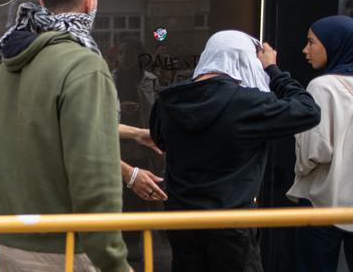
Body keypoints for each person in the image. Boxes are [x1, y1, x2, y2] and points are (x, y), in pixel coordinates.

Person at [0, 0, 129, 272]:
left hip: (1, 244)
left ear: (41, 0)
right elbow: (95, 178)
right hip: (62, 250)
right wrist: (113, 261)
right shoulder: (84, 66)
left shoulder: (3, 62)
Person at [151, 30, 320, 272]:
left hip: (181, 222)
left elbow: (160, 140)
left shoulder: (168, 101)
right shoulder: (248, 104)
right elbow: (308, 111)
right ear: (246, 59)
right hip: (231, 222)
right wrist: (273, 70)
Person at [288, 16, 353, 271]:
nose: (305, 50)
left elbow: (314, 152)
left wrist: (300, 167)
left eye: (312, 42)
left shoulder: (322, 87)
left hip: (323, 200)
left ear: (334, 43)